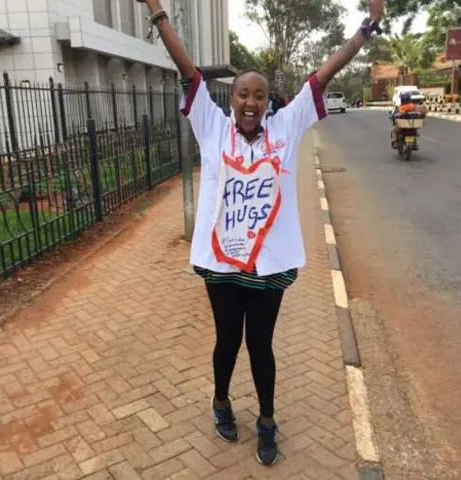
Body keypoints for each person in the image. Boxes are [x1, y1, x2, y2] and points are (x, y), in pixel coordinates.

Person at [136, 0, 385, 467]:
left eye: (258, 95)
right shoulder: (210, 126)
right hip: (220, 265)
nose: (250, 102)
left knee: (261, 345)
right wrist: (156, 11)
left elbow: (322, 76)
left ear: (268, 101)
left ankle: (267, 420)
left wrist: (366, 30)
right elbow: (185, 66)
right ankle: (221, 401)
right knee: (226, 340)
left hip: (268, 266)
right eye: (242, 94)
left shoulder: (285, 129)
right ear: (231, 99)